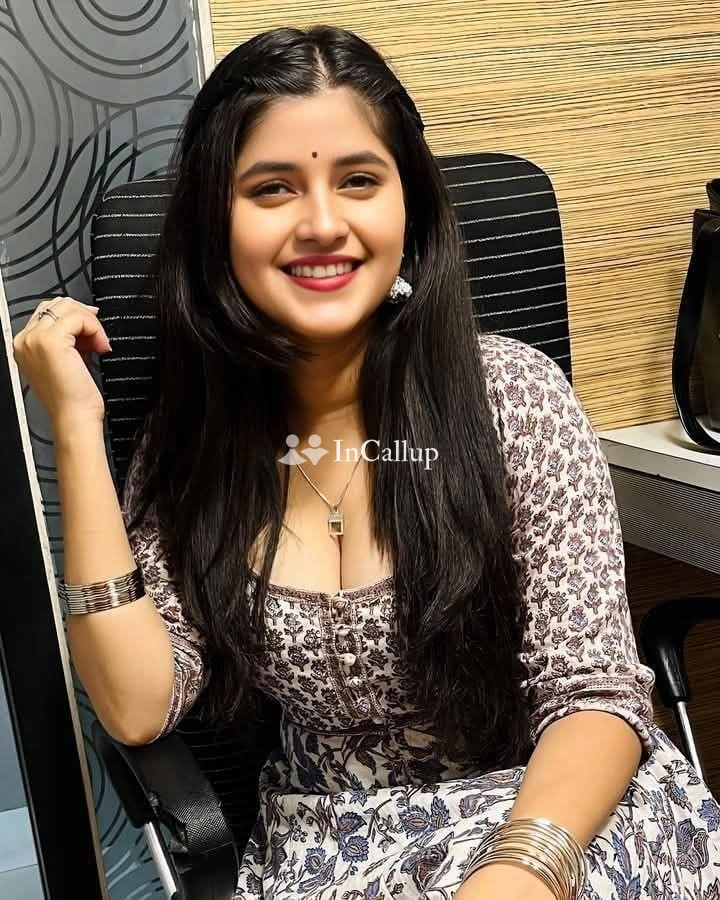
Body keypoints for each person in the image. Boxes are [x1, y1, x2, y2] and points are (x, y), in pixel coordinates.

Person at [12, 24, 720, 900]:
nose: (322, 224)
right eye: (272, 188)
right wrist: (76, 426)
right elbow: (135, 704)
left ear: (406, 207)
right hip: (337, 845)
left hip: (555, 814)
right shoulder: (196, 439)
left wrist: (520, 870)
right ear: (215, 223)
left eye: (358, 180)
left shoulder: (513, 400)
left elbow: (594, 695)